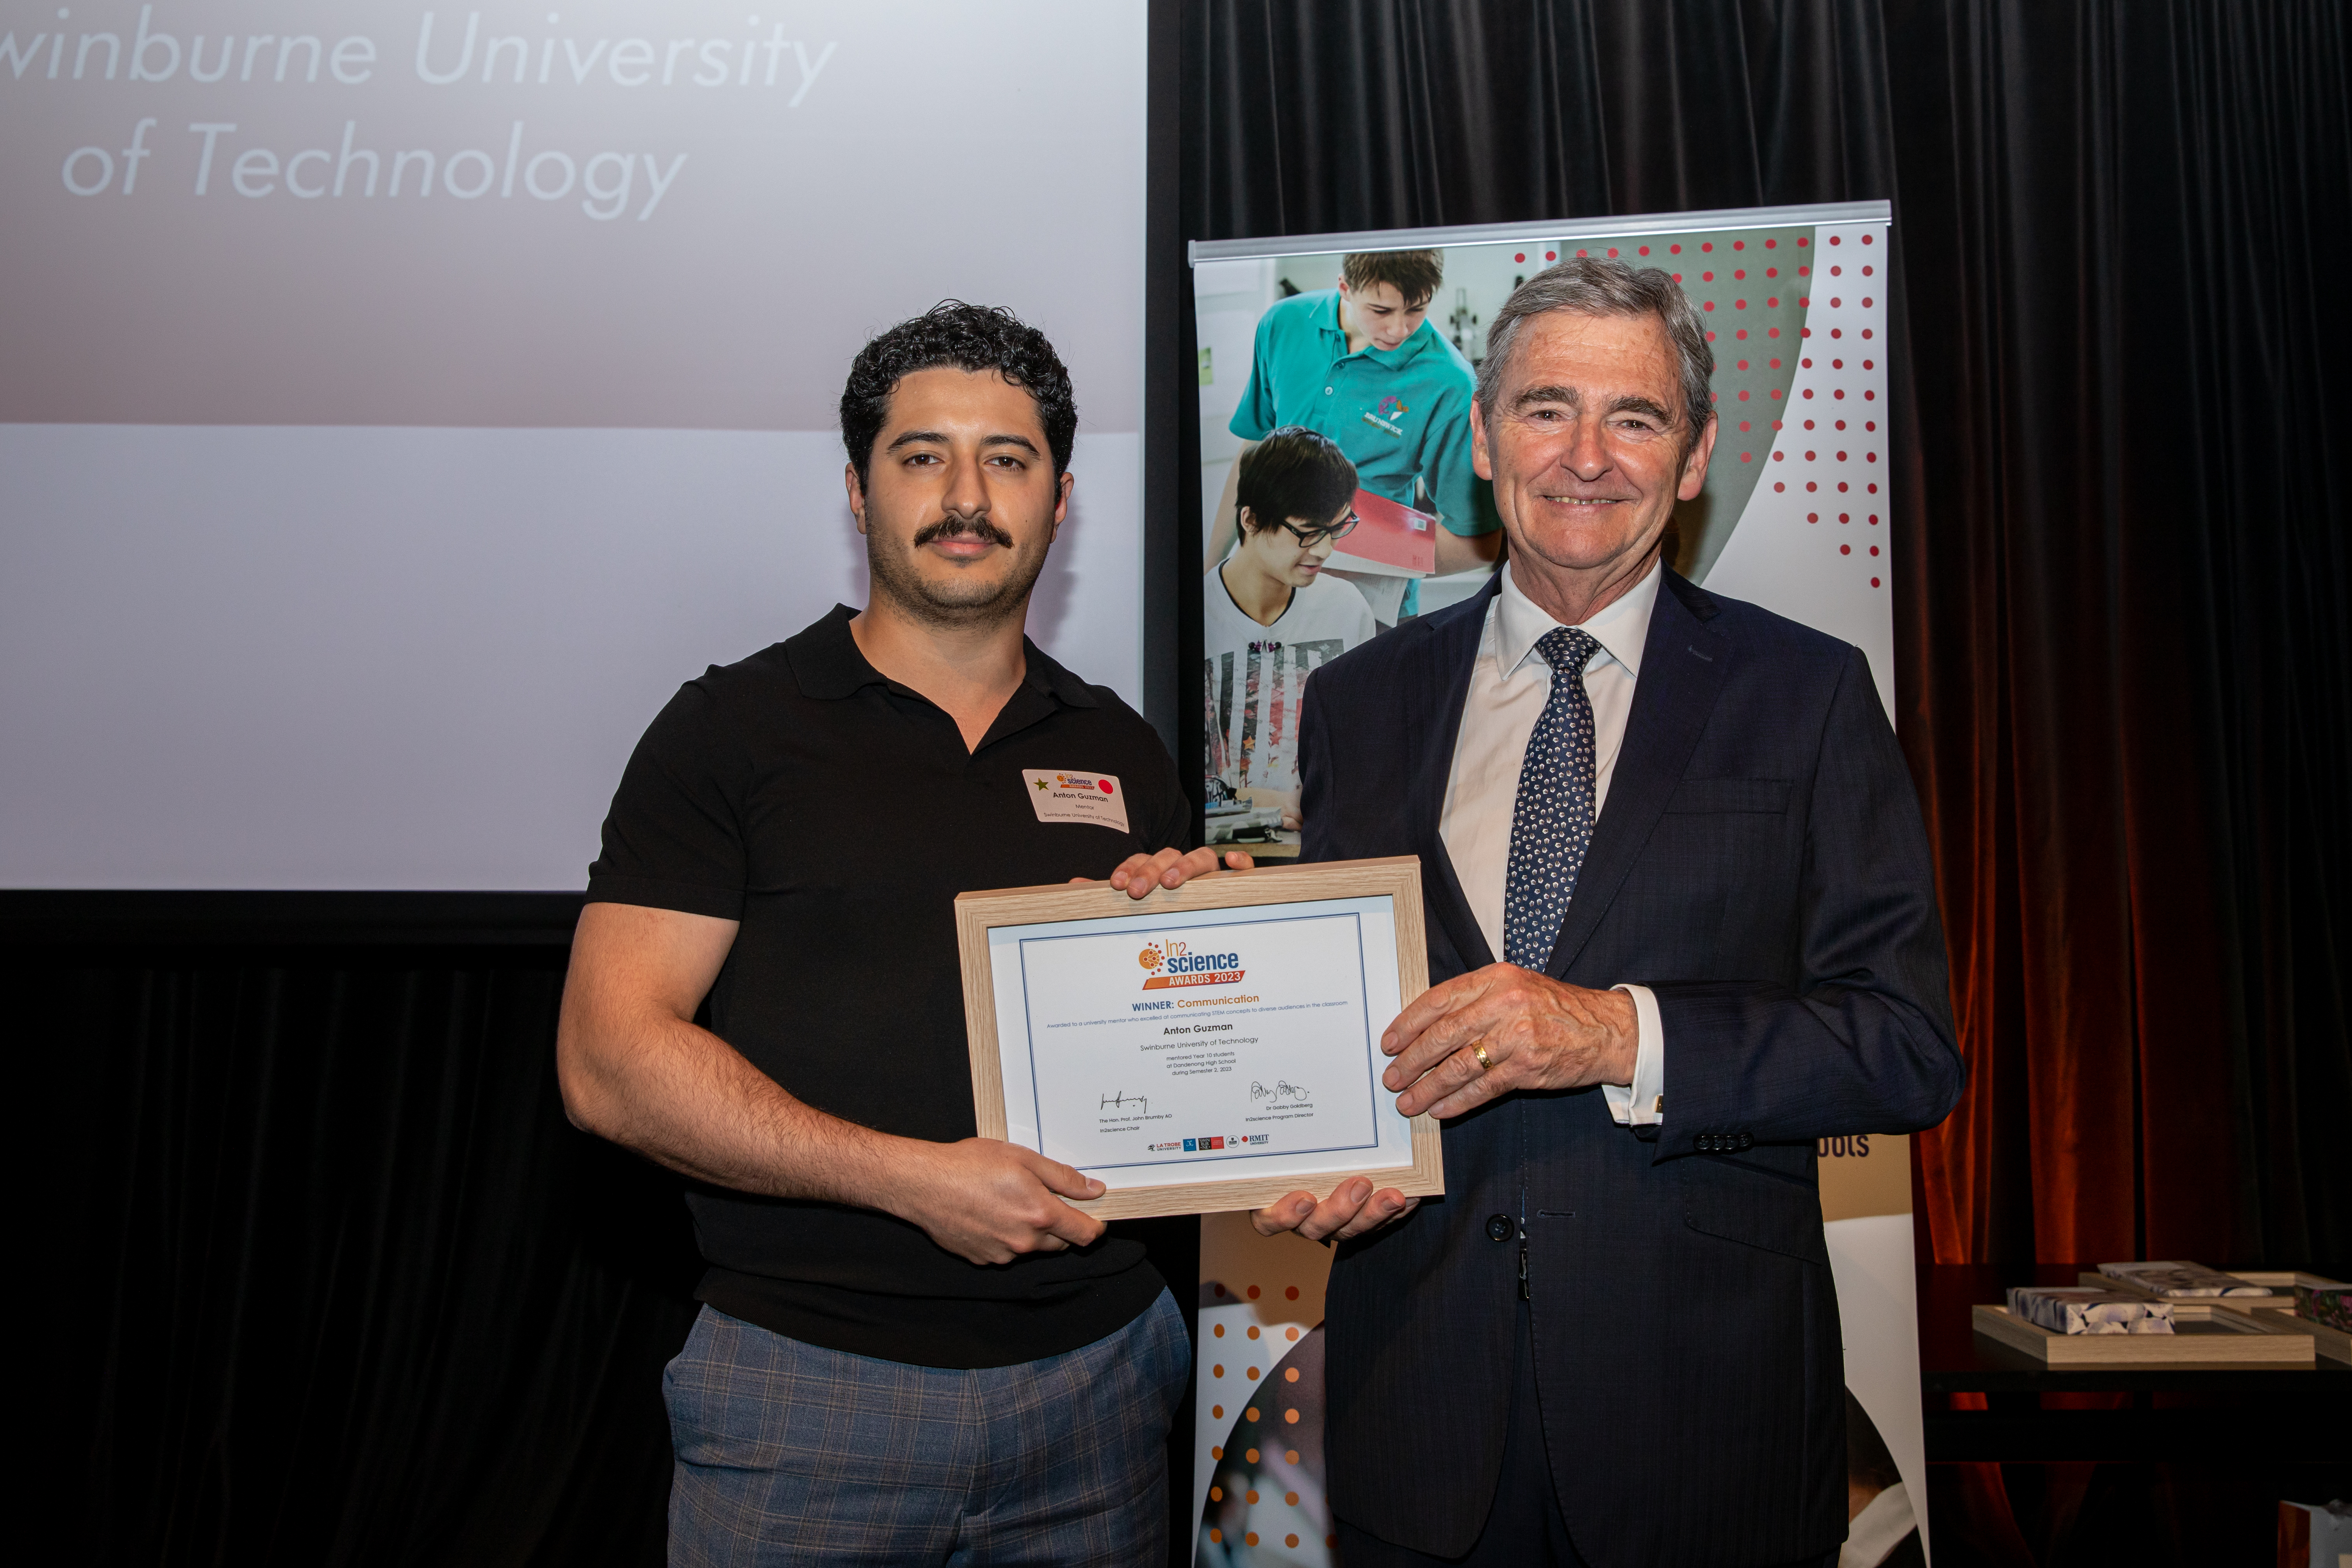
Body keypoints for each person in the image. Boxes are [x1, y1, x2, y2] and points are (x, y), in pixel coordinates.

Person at [1241, 258, 1963, 1563]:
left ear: (1691, 458)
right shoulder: (1361, 703)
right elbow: (1340, 1021)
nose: (1587, 456)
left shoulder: (1805, 694)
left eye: (1633, 417)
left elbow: (1904, 1044)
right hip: (1421, 1412)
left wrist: (1617, 1034)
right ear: (1482, 441)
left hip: (1704, 1421)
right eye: (1545, 408)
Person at [556, 301, 1241, 1565]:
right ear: (861, 493)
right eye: (923, 456)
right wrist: (914, 1181)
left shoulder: (1121, 748)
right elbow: (608, 1062)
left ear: (1061, 498)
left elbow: (1169, 1039)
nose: (966, 494)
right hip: (810, 1394)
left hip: (1100, 1384)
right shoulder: (733, 732)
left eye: (1009, 459)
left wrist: (1191, 947)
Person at [1207, 249, 1502, 623]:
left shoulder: (1449, 383)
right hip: (1264, 600)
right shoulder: (1283, 324)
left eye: (1416, 309)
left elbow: (1480, 546)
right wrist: (1209, 572)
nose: (1399, 330)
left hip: (1369, 611)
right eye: (1381, 311)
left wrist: (1343, 553)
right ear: (1345, 288)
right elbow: (1252, 458)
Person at [1204, 426, 1380, 851]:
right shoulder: (1195, 617)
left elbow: (1362, 755)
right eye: (1306, 532)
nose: (1323, 551)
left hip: (1322, 851)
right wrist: (1249, 801)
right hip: (1212, 860)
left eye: (1335, 529)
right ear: (1249, 519)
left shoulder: (1346, 609)